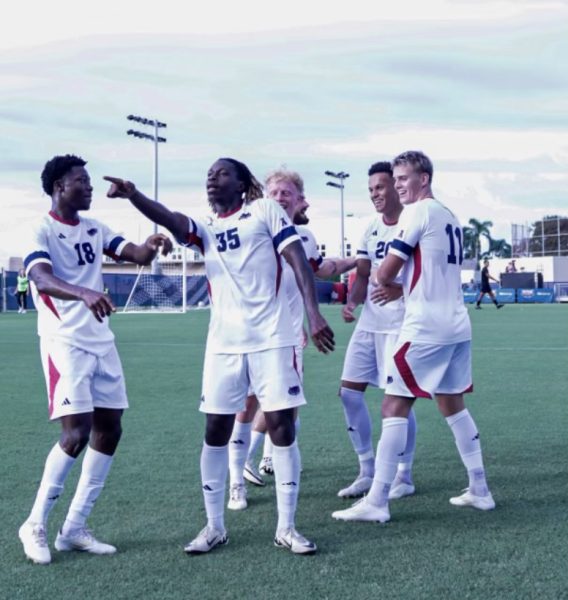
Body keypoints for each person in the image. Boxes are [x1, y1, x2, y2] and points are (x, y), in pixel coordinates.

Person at [105, 158, 335, 555]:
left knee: (281, 425)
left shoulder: (264, 210)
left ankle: (287, 527)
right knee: (216, 431)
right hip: (224, 344)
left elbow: (297, 258)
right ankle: (213, 527)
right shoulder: (206, 227)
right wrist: (133, 195)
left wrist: (313, 314)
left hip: (273, 337)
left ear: (243, 183)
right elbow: (174, 220)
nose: (212, 178)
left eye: (222, 173)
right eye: (208, 173)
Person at [19, 154, 172, 565]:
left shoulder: (94, 227)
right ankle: (34, 523)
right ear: (58, 188)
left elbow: (135, 255)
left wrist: (153, 245)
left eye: (88, 182)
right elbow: (40, 277)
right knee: (76, 434)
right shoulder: (41, 228)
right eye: (80, 182)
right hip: (63, 340)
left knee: (110, 428)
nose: (88, 188)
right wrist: (84, 293)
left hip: (101, 340)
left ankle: (74, 528)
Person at [332, 150, 494, 524]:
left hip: (425, 328)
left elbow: (385, 272)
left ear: (424, 178)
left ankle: (378, 500)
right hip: (456, 325)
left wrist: (380, 278)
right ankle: (480, 489)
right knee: (452, 405)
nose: (399, 185)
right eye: (397, 178)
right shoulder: (450, 215)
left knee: (393, 407)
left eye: (404, 178)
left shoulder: (418, 212)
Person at [228, 168, 355, 505]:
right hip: (246, 334)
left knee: (285, 406)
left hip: (286, 337)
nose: (280, 198)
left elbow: (318, 270)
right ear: (263, 196)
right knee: (244, 406)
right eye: (275, 192)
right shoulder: (248, 227)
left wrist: (354, 261)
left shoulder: (304, 236)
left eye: (288, 193)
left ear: (300, 200)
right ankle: (236, 479)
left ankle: (272, 461)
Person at [337, 161, 417, 500]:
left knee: (397, 402)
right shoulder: (369, 229)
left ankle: (404, 475)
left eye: (381, 187)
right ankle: (367, 469)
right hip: (370, 324)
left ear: (396, 188)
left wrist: (401, 290)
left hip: (401, 325)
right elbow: (364, 278)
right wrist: (353, 304)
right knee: (348, 393)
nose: (375, 195)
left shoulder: (415, 223)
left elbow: (430, 275)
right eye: (371, 190)